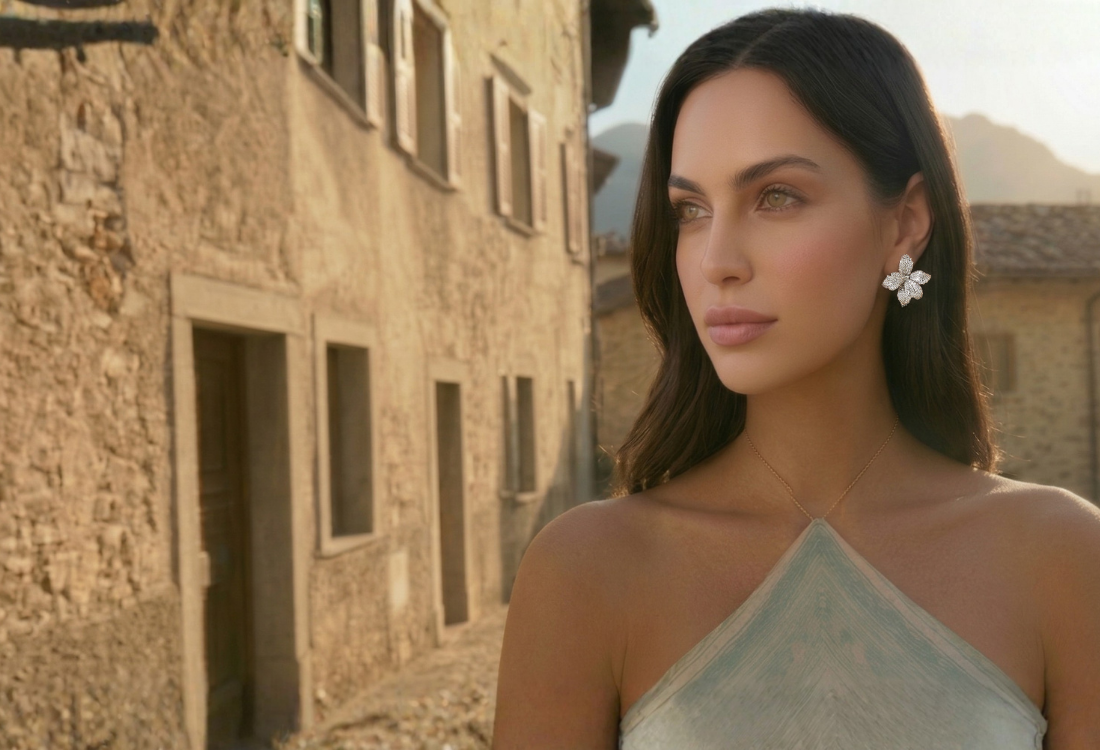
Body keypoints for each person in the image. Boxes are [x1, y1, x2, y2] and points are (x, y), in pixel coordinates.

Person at [491, 7, 1100, 749]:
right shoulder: (584, 570)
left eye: (775, 196)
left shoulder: (1063, 558)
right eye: (690, 209)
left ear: (905, 223)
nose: (717, 259)